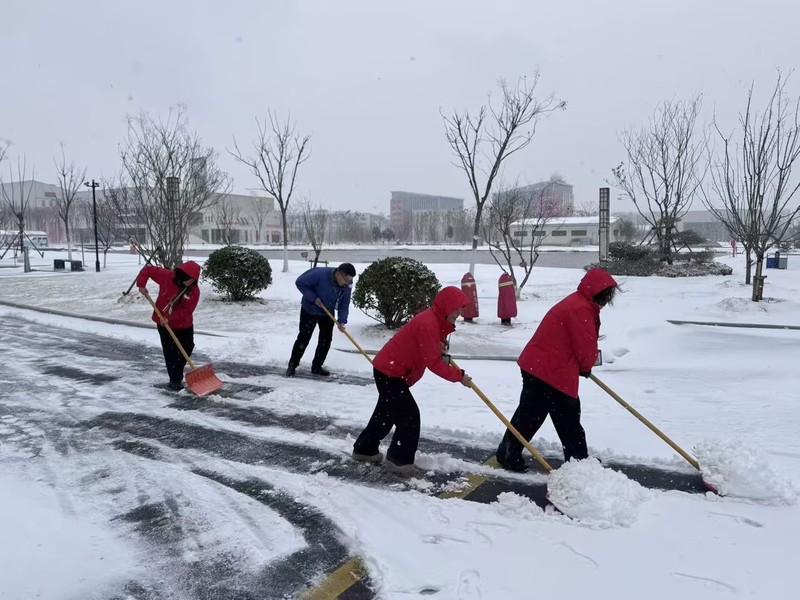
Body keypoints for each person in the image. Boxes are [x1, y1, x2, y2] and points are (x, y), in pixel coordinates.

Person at [495, 268, 619, 473]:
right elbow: (585, 346)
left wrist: (583, 366)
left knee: (532, 414)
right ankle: (577, 461)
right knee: (561, 416)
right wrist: (586, 366)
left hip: (544, 367)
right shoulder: (580, 309)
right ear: (599, 293)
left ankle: (509, 452)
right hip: (549, 371)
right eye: (607, 294)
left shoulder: (579, 303)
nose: (608, 299)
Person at [352, 286, 474, 475]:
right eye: (456, 308)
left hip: (392, 370)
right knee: (409, 417)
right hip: (390, 372)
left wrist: (437, 345)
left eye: (461, 309)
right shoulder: (428, 323)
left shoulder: (435, 320)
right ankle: (398, 460)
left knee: (385, 415)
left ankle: (365, 449)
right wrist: (459, 377)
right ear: (446, 306)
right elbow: (434, 363)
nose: (459, 313)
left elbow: (426, 348)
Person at [137, 261, 202, 390]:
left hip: (183, 324)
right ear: (182, 275)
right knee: (170, 351)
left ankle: (176, 371)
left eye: (193, 280)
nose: (190, 282)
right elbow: (148, 270)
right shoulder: (167, 276)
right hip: (163, 323)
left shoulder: (194, 291)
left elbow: (187, 311)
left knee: (188, 346)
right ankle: (175, 380)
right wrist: (141, 284)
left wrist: (170, 317)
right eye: (188, 279)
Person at [286, 262, 357, 377]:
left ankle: (317, 367)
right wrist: (313, 298)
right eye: (346, 279)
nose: (348, 282)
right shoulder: (320, 274)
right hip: (309, 310)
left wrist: (342, 320)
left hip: (327, 313)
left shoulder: (347, 284)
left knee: (325, 340)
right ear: (339, 274)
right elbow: (300, 282)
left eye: (350, 280)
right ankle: (292, 365)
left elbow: (344, 303)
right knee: (304, 338)